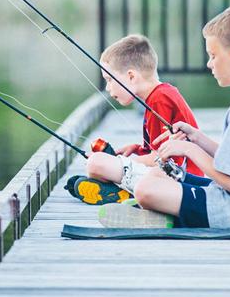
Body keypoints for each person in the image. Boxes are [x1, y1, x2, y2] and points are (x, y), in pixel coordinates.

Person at [96, 2, 230, 228]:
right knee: (159, 177)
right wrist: (197, 138)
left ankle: (165, 218)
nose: (209, 64)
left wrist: (190, 149)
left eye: (212, 55)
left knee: (145, 188)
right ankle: (164, 210)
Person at [66, 34, 201, 205]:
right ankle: (120, 192)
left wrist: (121, 162)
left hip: (183, 182)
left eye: (109, 80)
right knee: (97, 166)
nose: (108, 88)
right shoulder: (158, 96)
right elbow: (159, 150)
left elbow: (161, 159)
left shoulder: (160, 99)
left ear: (131, 76)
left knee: (95, 165)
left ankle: (131, 196)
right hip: (172, 178)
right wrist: (137, 149)